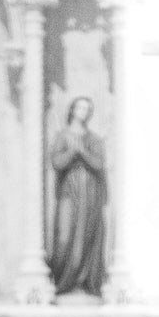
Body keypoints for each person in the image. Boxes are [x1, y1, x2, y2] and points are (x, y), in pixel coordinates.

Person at [48, 95, 109, 297]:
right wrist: (72, 153)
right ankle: (63, 280)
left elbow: (99, 164)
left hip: (90, 193)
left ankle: (87, 280)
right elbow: (57, 163)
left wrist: (82, 152)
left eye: (87, 109)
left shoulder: (93, 139)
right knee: (65, 236)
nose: (83, 112)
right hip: (69, 191)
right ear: (72, 109)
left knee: (88, 233)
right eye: (80, 108)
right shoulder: (62, 136)